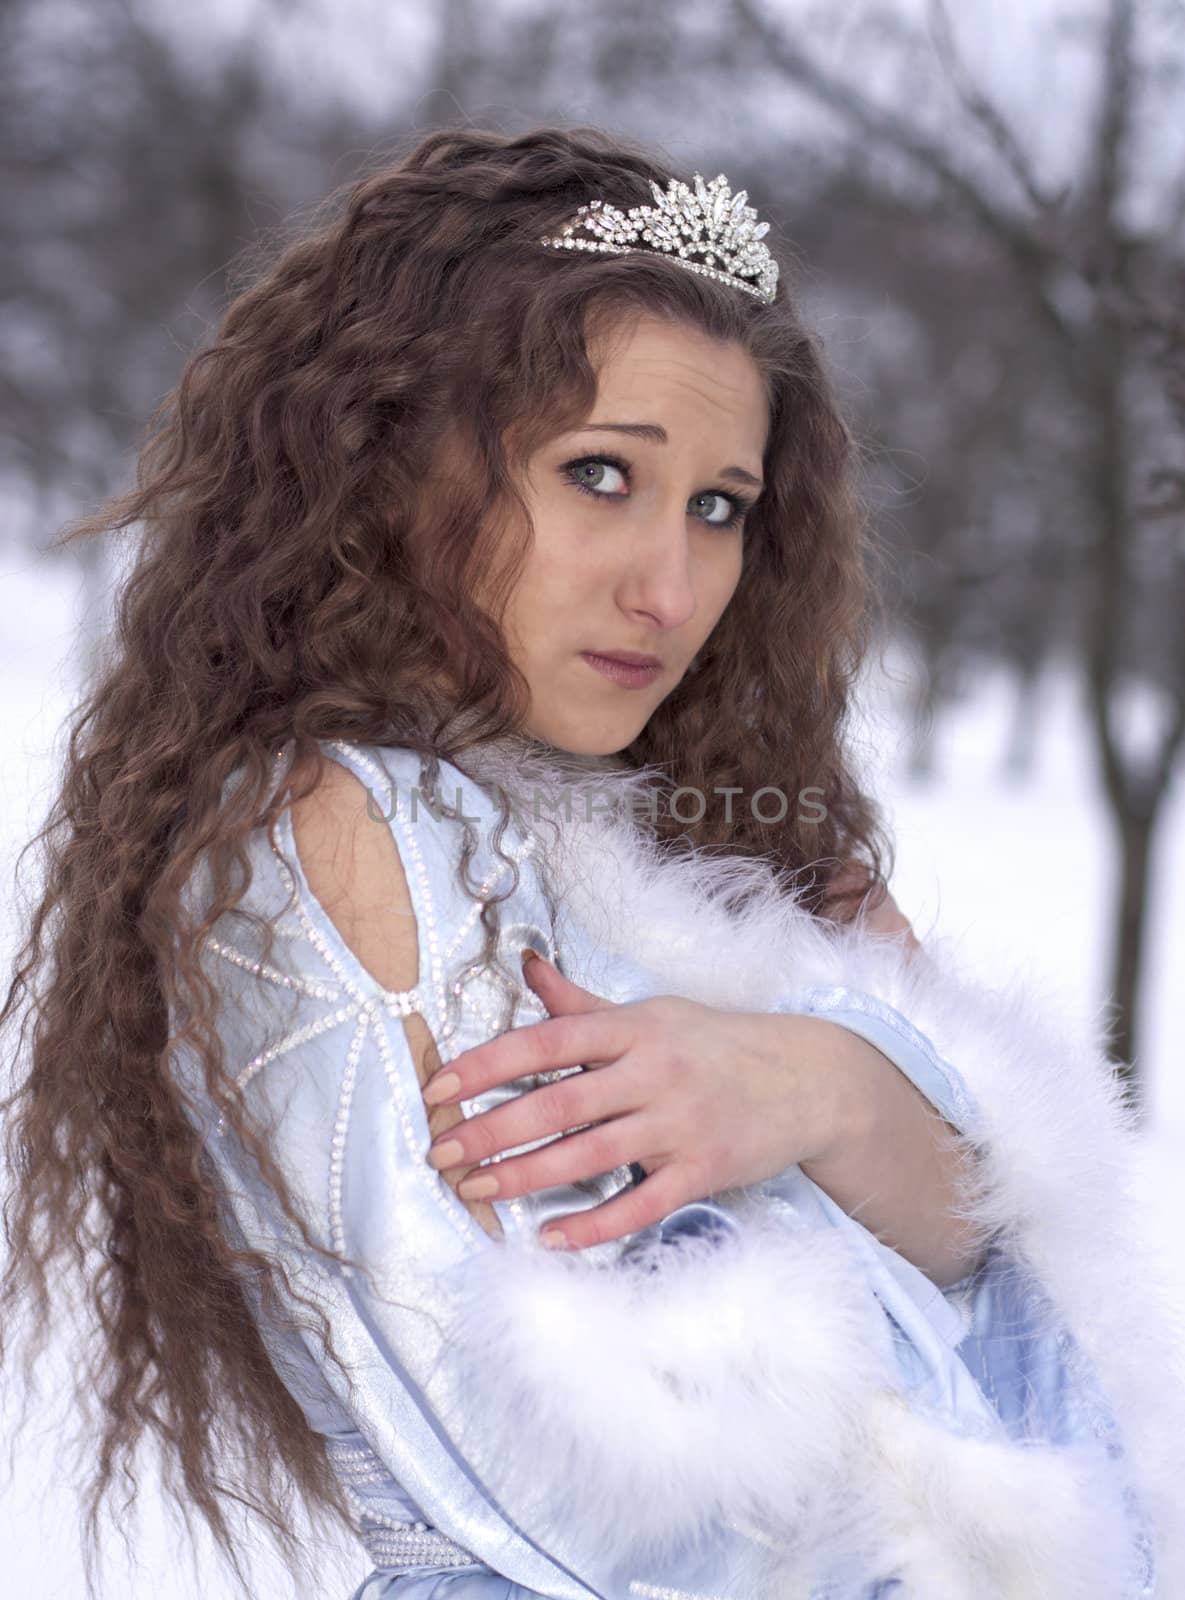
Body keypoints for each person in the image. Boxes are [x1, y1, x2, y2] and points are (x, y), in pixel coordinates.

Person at [1, 123, 1180, 1600]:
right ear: (386, 459)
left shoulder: (678, 842)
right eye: (598, 473)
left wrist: (815, 1079)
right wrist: (853, 1111)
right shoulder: (335, 827)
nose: (670, 585)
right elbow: (613, 1488)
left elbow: (1006, 1243)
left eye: (717, 506)